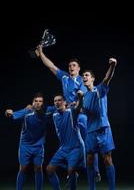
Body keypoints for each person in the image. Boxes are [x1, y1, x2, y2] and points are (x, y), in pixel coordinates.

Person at [35, 45, 101, 182]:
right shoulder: (64, 77)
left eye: (74, 65)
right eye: (70, 65)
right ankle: (74, 169)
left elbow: (82, 100)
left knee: (87, 143)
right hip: (65, 112)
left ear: (78, 69)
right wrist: (41, 53)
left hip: (79, 114)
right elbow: (51, 66)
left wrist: (75, 105)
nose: (71, 67)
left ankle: (95, 171)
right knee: (65, 142)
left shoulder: (82, 81)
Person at [82, 58, 117, 190]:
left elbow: (107, 78)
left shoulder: (99, 89)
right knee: (90, 160)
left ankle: (112, 188)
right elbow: (81, 110)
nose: (84, 77)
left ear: (92, 79)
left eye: (86, 75)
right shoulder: (84, 97)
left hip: (103, 129)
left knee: (107, 159)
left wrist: (113, 66)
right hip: (90, 131)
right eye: (83, 76)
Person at [5, 92, 51, 190]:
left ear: (43, 103)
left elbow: (60, 107)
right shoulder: (27, 111)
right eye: (36, 101)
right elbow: (12, 114)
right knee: (23, 168)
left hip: (39, 146)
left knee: (38, 168)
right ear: (33, 102)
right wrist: (8, 113)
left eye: (40, 101)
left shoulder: (47, 111)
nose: (38, 103)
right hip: (25, 145)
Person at [46, 93, 85, 190]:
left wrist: (80, 98)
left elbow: (78, 106)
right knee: (49, 170)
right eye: (55, 101)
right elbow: (41, 110)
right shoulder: (54, 114)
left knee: (70, 170)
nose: (57, 102)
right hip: (63, 148)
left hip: (76, 147)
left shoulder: (71, 112)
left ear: (64, 102)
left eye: (59, 100)